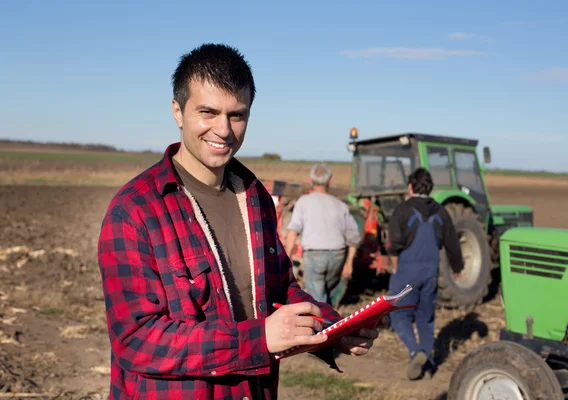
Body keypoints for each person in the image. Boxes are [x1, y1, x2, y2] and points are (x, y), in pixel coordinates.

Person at [97, 43, 379, 400]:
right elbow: (136, 340)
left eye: (237, 115)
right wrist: (257, 340)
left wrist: (333, 330)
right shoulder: (136, 211)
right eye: (208, 112)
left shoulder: (255, 198)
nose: (224, 129)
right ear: (177, 111)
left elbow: (280, 290)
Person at [386, 167, 464, 381]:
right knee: (425, 318)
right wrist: (457, 269)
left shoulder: (402, 210)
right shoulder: (441, 212)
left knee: (399, 314)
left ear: (410, 186)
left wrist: (394, 266)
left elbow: (393, 244)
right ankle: (428, 364)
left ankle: (415, 351)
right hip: (431, 271)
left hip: (407, 271)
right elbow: (453, 244)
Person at [284, 163, 361, 308]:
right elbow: (354, 236)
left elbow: (293, 231)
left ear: (310, 180)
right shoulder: (340, 205)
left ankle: (325, 326)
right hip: (338, 256)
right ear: (330, 181)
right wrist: (349, 262)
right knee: (327, 295)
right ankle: (331, 320)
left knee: (317, 300)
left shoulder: (303, 202)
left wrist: (287, 257)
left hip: (315, 256)